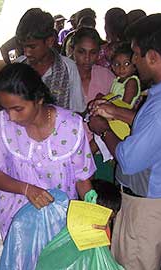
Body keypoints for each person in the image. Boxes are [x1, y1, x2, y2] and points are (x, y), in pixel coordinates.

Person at [0, 62, 95, 270]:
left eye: (18, 108)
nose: (10, 116)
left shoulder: (71, 126)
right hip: (19, 217)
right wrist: (26, 189)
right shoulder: (3, 125)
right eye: (5, 108)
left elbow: (83, 177)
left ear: (39, 99)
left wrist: (93, 217)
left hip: (59, 220)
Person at [88, 14, 161, 270]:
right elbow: (148, 126)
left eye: (135, 55)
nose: (132, 62)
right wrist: (117, 110)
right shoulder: (159, 97)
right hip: (153, 199)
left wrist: (104, 129)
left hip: (148, 203)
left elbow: (131, 158)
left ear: (153, 56)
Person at [15, 8, 85, 113]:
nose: (27, 53)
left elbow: (77, 110)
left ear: (49, 41)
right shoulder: (18, 67)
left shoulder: (68, 68)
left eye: (32, 47)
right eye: (23, 47)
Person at [70, 27, 115, 182]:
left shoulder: (107, 77)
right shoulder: (63, 78)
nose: (87, 58)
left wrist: (92, 147)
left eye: (93, 53)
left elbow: (115, 119)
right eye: (81, 52)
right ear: (72, 50)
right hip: (69, 154)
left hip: (102, 153)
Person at [110, 42, 141, 107]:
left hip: (122, 113)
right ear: (113, 67)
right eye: (117, 64)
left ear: (134, 66)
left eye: (126, 64)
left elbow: (125, 105)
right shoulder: (117, 80)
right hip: (114, 112)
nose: (121, 68)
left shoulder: (131, 82)